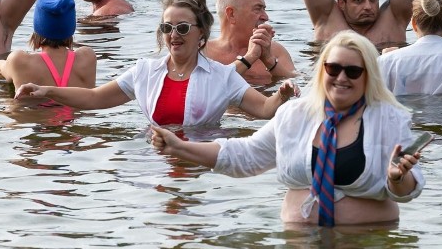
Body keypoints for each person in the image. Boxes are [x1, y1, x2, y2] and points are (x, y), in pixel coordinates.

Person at [151, 31, 425, 226]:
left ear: (369, 77)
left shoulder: (390, 119)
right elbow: (245, 155)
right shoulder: (295, 115)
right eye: (333, 68)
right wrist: (180, 146)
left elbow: (410, 191)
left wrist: (397, 179)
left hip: (368, 245)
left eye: (353, 71)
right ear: (322, 72)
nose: (341, 77)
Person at [15, 0, 297, 126]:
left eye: (183, 27)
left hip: (203, 162)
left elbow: (263, 110)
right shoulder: (145, 71)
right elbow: (94, 98)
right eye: (167, 27)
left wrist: (282, 95)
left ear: (201, 32)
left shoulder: (222, 77)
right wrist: (45, 91)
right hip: (155, 159)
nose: (174, 35)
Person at [0, 0, 97, 89]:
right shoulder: (87, 58)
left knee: (2, 97)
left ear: (38, 29)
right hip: (75, 113)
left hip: (34, 113)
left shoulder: (21, 61)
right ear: (70, 28)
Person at [205, 0, 296, 81]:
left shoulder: (275, 51)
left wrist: (269, 60)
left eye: (264, 9)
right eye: (257, 9)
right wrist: (251, 57)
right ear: (232, 14)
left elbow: (300, 87)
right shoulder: (203, 53)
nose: (265, 17)